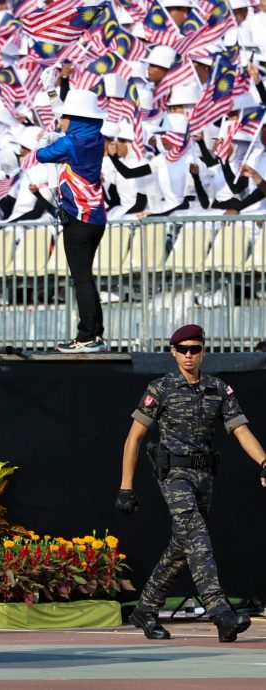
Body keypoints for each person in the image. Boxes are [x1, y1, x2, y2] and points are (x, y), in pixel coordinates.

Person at [116, 324, 266, 643]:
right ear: (173, 352)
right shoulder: (161, 388)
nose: (188, 355)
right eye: (182, 349)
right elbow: (134, 438)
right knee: (198, 538)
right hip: (174, 476)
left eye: (194, 349)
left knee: (182, 547)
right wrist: (126, 486)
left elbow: (240, 430)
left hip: (204, 478)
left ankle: (145, 608)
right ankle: (220, 613)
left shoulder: (217, 388)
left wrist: (265, 462)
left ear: (203, 351)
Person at [35, 88, 109, 354]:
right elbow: (67, 135)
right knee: (86, 278)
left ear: (76, 118)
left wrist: (44, 140)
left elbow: (42, 155)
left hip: (78, 219)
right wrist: (56, 107)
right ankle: (96, 335)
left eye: (65, 116)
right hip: (96, 217)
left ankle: (87, 336)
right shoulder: (96, 138)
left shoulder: (70, 144)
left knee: (81, 279)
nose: (61, 120)